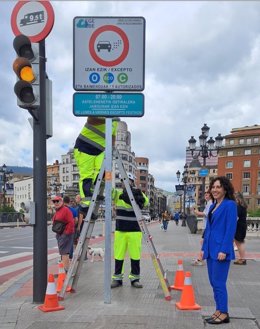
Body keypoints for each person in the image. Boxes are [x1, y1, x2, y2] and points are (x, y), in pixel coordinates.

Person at [199, 176, 237, 325]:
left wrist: (225, 249)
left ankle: (224, 312)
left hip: (221, 250)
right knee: (213, 282)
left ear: (225, 189)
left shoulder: (230, 205)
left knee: (219, 282)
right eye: (213, 187)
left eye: (218, 187)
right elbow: (209, 228)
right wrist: (203, 249)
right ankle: (218, 310)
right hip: (210, 249)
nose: (214, 190)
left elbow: (230, 229)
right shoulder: (214, 205)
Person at [74, 117, 119, 230]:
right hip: (84, 146)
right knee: (87, 176)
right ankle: (85, 207)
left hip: (99, 150)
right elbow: (91, 120)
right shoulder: (102, 109)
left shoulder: (116, 121)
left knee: (100, 174)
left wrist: (111, 149)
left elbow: (112, 136)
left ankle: (93, 198)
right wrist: (108, 118)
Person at [111, 173, 149, 289]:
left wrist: (136, 194)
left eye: (128, 181)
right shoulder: (118, 193)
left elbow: (145, 202)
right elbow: (109, 192)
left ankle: (135, 279)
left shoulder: (138, 193)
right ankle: (117, 279)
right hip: (120, 230)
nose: (125, 183)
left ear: (132, 182)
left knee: (135, 255)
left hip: (134, 230)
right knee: (118, 255)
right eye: (123, 181)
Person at [52, 196, 75, 273]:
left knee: (64, 253)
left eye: (57, 201)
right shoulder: (58, 210)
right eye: (54, 202)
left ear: (61, 201)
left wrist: (65, 234)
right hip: (61, 234)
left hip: (65, 234)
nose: (56, 203)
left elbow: (71, 222)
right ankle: (66, 270)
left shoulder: (65, 210)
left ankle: (66, 270)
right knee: (64, 253)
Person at [192, 190, 214, 266]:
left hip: (208, 226)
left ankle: (200, 259)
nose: (206, 196)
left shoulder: (211, 203)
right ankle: (202, 257)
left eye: (207, 194)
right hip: (206, 226)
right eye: (205, 194)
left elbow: (206, 214)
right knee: (204, 242)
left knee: (203, 242)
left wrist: (197, 212)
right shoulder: (209, 203)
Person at [234, 192, 248, 265]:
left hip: (239, 226)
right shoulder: (243, 206)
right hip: (242, 226)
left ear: (238, 199)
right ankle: (242, 258)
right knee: (239, 242)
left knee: (239, 243)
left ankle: (242, 259)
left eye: (235, 198)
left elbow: (235, 217)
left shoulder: (238, 207)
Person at [63, 196, 78, 261]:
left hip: (63, 229)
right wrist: (73, 224)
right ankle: (70, 257)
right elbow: (76, 219)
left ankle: (63, 257)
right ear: (69, 202)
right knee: (70, 243)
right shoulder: (73, 210)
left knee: (63, 243)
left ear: (63, 201)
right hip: (71, 229)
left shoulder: (61, 209)